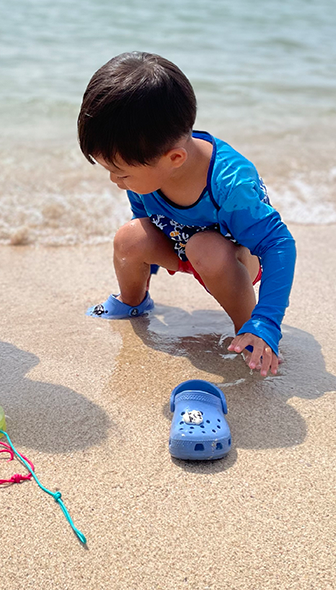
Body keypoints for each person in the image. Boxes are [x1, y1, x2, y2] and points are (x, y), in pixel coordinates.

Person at [77, 52, 296, 377]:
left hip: (233, 258)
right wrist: (147, 264)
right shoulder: (147, 170)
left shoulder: (230, 184)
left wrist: (267, 320)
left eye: (120, 173)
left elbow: (279, 244)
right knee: (130, 238)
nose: (114, 180)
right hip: (178, 242)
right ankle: (133, 301)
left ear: (175, 157)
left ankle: (251, 336)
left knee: (204, 248)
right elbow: (146, 218)